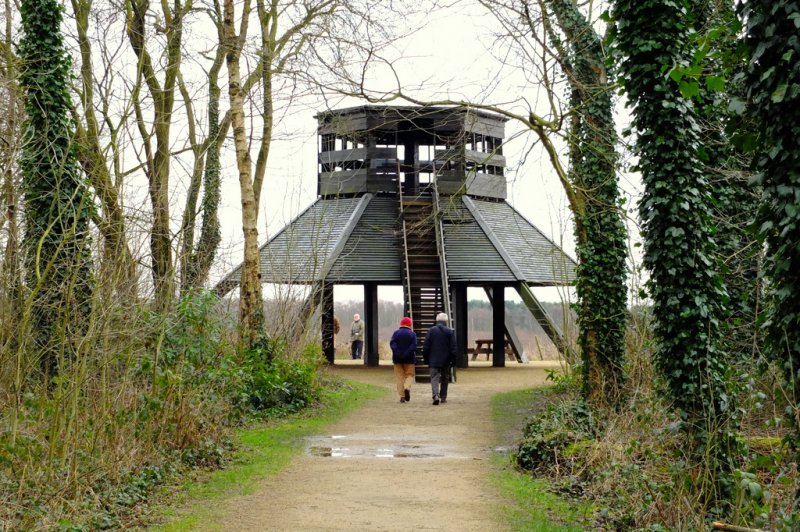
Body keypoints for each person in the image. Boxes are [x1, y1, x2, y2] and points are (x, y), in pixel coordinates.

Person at [423, 312, 456, 405]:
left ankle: (435, 395)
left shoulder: (431, 330)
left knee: (434, 378)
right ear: (446, 321)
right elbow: (453, 348)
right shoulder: (450, 332)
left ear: (437, 320)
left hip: (433, 360)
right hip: (446, 360)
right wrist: (453, 360)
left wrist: (426, 358)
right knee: (445, 378)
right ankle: (443, 397)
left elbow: (426, 346)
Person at [390, 317, 417, 403]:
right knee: (409, 375)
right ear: (410, 324)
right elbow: (414, 346)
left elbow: (392, 343)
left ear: (401, 324)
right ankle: (407, 387)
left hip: (397, 359)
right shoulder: (413, 334)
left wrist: (398, 352)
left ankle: (402, 396)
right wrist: (406, 353)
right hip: (409, 359)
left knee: (399, 377)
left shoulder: (396, 333)